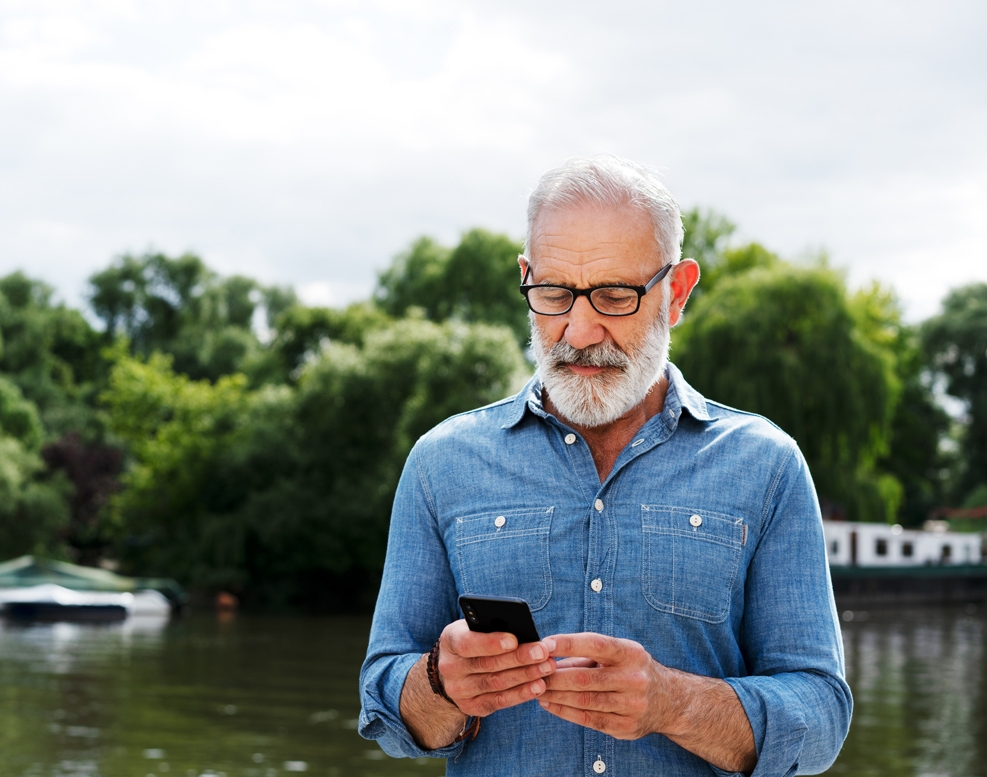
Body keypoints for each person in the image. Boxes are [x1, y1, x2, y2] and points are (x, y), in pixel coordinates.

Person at [358, 155, 852, 776]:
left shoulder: (767, 467)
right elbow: (384, 701)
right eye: (555, 293)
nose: (581, 329)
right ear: (526, 278)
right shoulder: (441, 464)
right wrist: (440, 682)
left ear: (675, 294)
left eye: (615, 296)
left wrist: (674, 703)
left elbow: (822, 718)